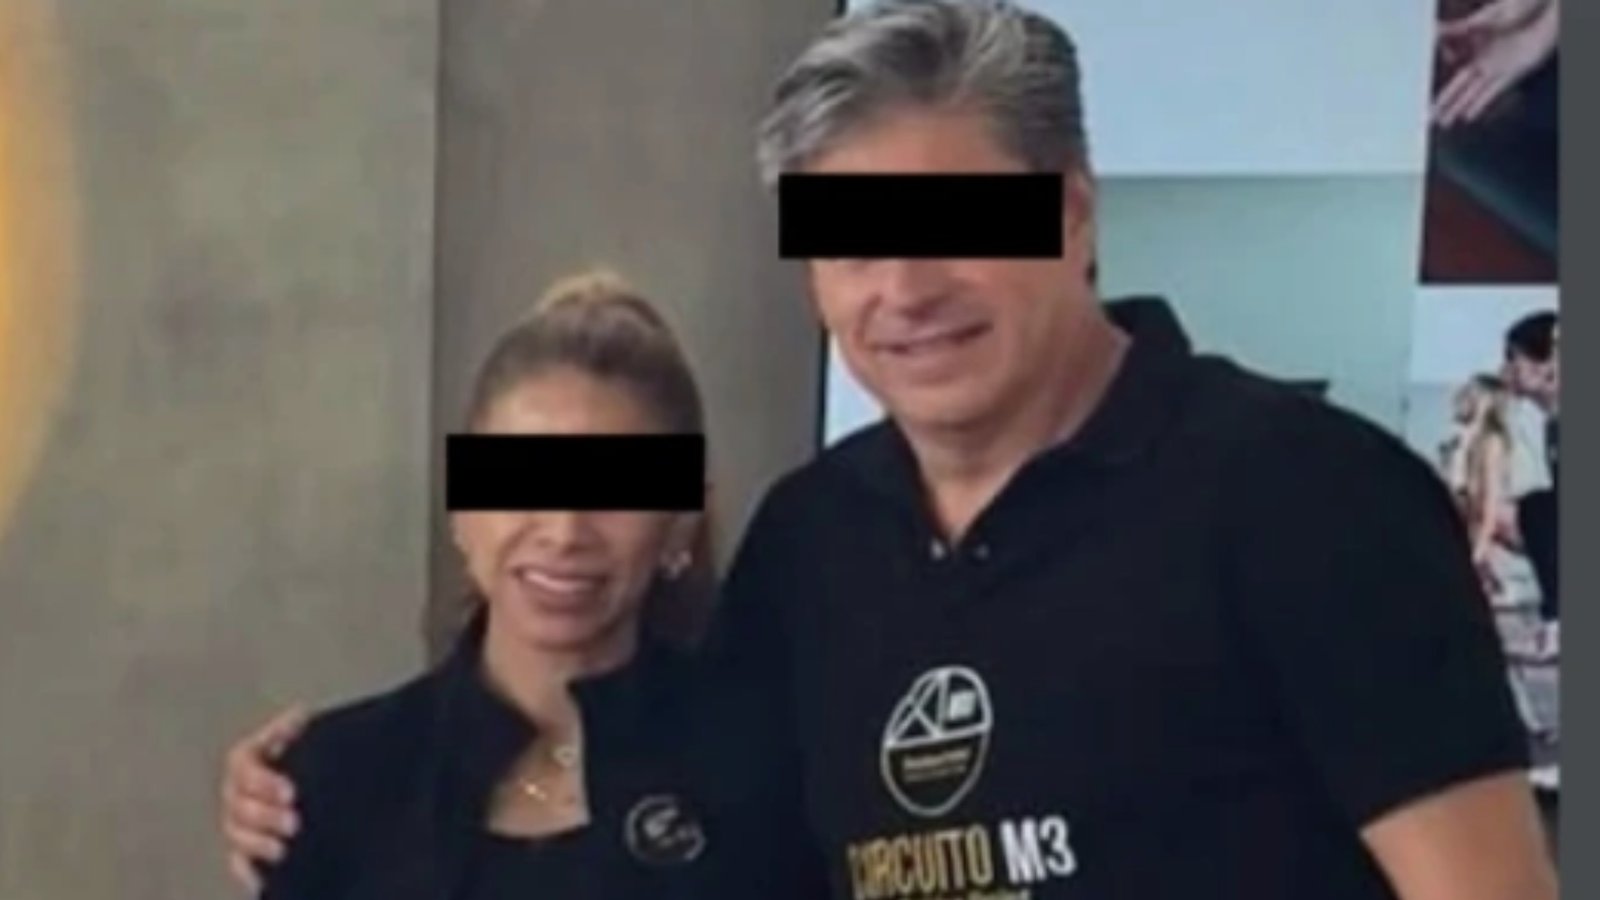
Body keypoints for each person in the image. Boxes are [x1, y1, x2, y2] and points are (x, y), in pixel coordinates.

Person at [221, 3, 1558, 898]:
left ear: (1072, 214)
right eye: (851, 244)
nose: (903, 290)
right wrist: (326, 775)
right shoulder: (814, 542)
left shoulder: (1305, 495)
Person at [232, 270, 824, 899]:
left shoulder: (770, 772)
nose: (565, 532)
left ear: (681, 522)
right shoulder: (331, 781)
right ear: (461, 507)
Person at [1502, 311, 1558, 626]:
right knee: (1535, 508)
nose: (1507, 370)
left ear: (1545, 363)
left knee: (1537, 510)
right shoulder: (1552, 423)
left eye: (1514, 358)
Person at [1440, 374, 1517, 596]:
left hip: (1500, 529)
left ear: (1485, 401)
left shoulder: (1492, 442)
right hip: (1479, 531)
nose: (1459, 397)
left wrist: (1474, 559)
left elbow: (1490, 509)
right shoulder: (1463, 444)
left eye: (1469, 392)